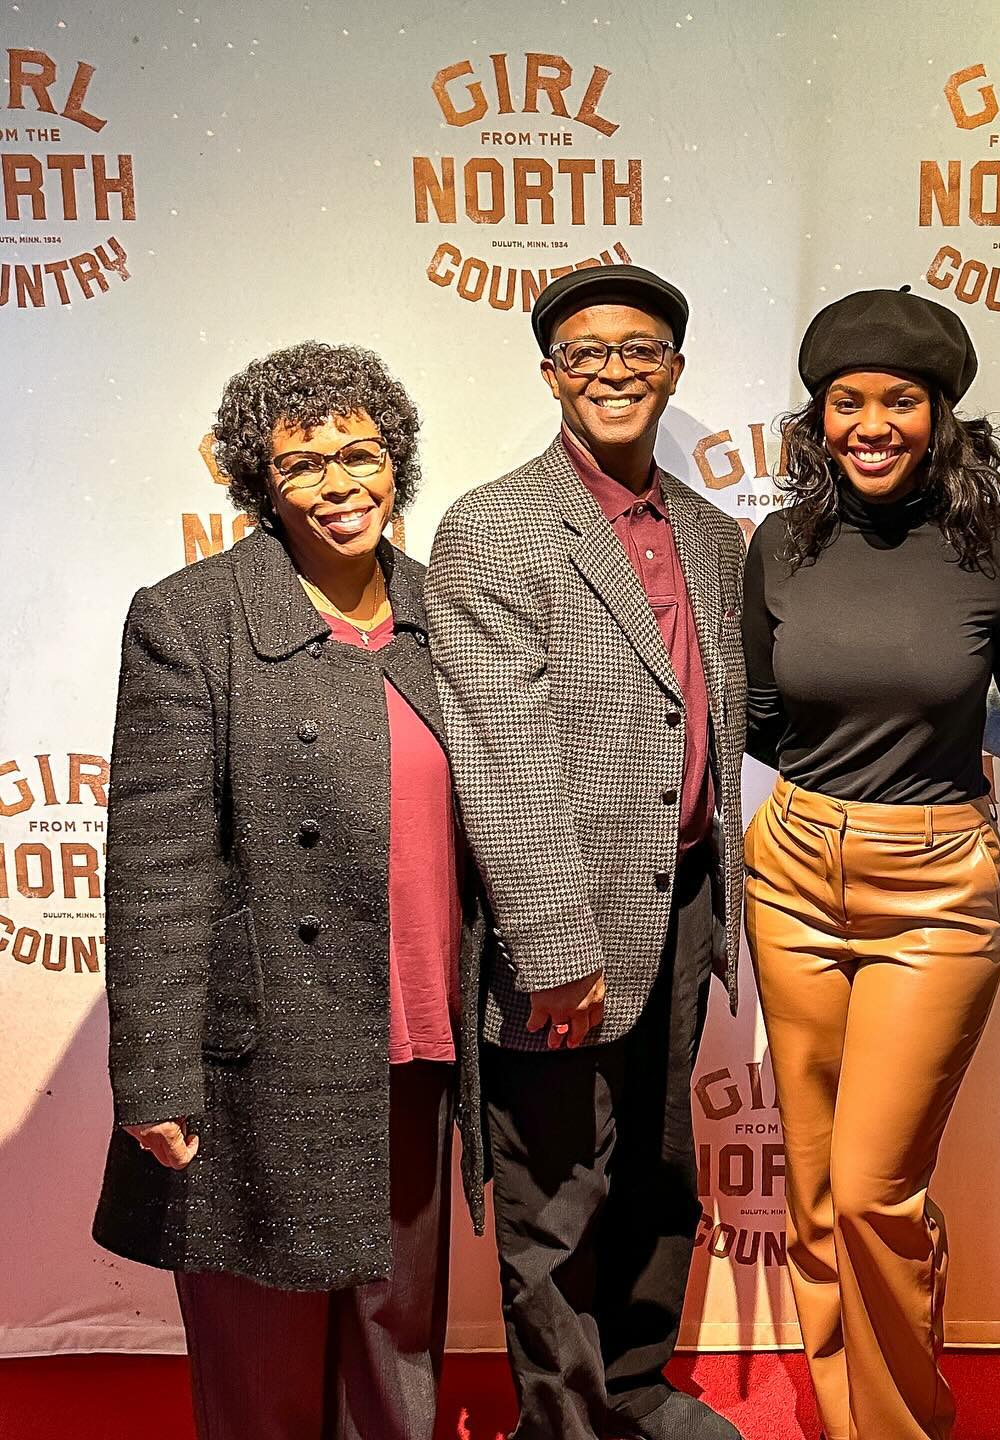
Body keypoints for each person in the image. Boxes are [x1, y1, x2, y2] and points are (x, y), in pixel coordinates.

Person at [92, 342, 486, 1440]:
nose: (340, 483)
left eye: (361, 453)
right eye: (303, 464)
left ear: (396, 461)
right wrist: (154, 1073)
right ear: (260, 484)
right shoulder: (191, 619)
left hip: (415, 1034)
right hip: (260, 1052)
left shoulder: (444, 612)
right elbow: (160, 863)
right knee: (259, 1367)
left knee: (392, 1341)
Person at [425, 265, 747, 1440]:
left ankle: (639, 1382)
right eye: (586, 352)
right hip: (558, 918)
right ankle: (562, 1422)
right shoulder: (496, 525)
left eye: (639, 348)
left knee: (662, 1169)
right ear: (551, 373)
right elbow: (499, 751)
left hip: (692, 894)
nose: (613, 369)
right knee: (556, 1190)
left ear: (674, 367)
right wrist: (554, 942)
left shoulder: (714, 535)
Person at [743, 287, 1000, 1440]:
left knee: (877, 1192)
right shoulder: (782, 544)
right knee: (817, 1193)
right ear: (818, 416)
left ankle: (899, 1427)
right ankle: (847, 1419)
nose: (870, 424)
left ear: (942, 414)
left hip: (932, 882)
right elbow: (762, 714)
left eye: (899, 401)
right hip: (789, 866)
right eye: (846, 401)